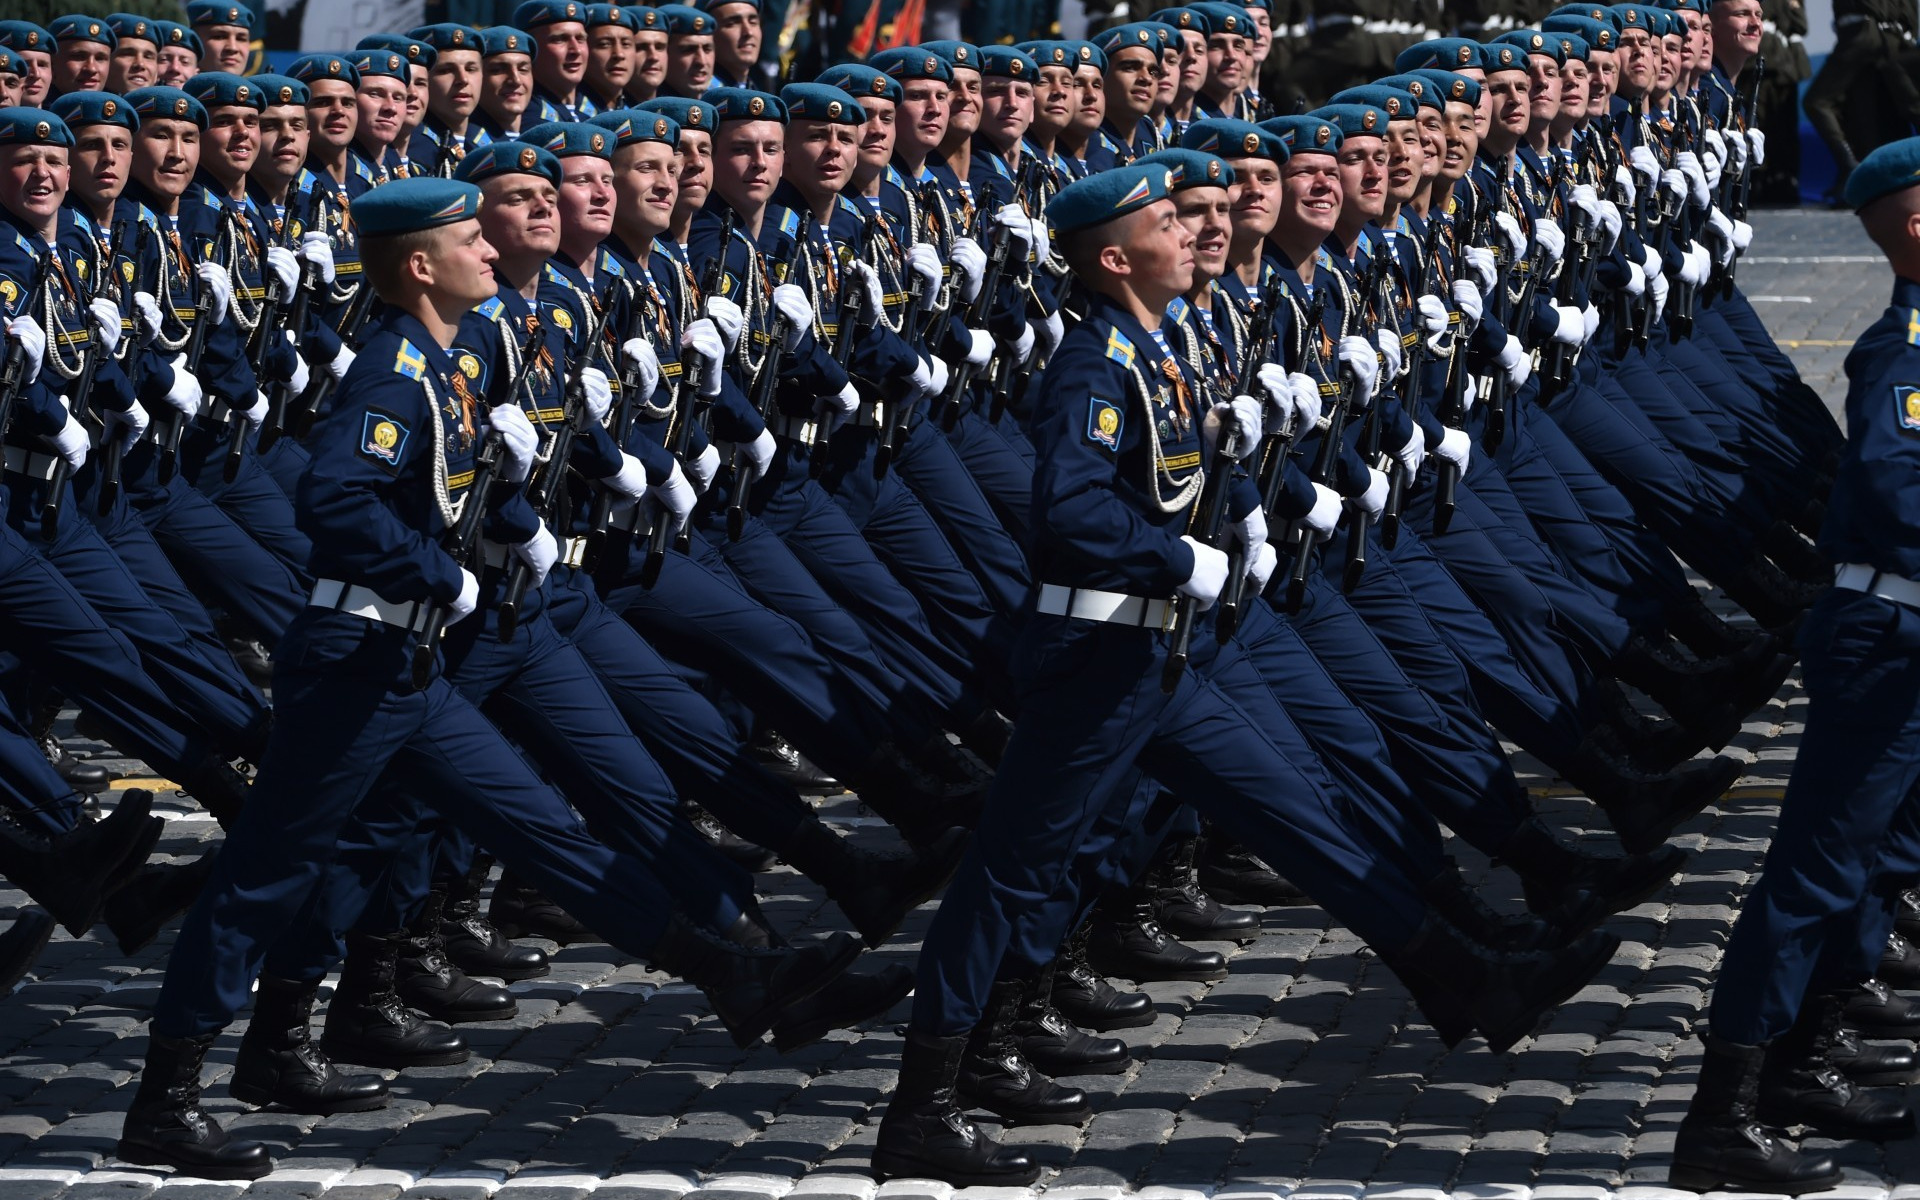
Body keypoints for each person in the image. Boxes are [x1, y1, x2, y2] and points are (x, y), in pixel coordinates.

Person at [1668, 134, 1920, 1195]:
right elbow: (1901, 492)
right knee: (1815, 873)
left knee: (1885, 857)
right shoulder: (1900, 356)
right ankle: (1723, 1114)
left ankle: (1807, 1061)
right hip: (1886, 640)